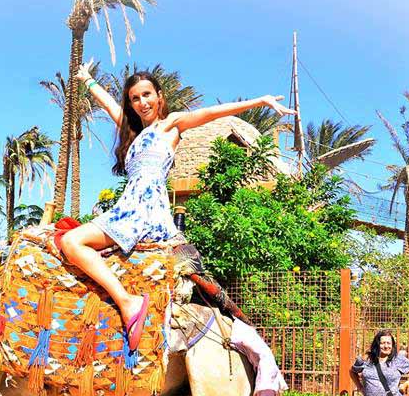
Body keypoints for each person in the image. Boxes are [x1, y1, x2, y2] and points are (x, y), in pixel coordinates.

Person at [59, 64, 295, 349]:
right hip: (127, 206)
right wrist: (88, 80)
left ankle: (127, 302)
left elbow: (212, 112)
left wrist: (260, 101)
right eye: (135, 98)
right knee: (66, 241)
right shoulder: (133, 134)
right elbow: (109, 104)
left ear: (159, 96)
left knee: (71, 241)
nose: (142, 102)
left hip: (144, 209)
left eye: (147, 95)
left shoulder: (170, 124)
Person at [350, 329, 409, 396]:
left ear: (392, 345)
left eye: (388, 343)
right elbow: (352, 371)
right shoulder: (367, 359)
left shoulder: (398, 359)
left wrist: (406, 384)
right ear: (377, 344)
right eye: (382, 343)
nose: (386, 346)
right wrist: (360, 387)